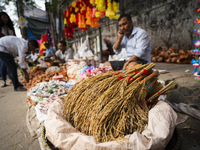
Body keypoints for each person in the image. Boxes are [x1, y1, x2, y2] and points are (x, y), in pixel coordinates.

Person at [0, 11, 15, 87]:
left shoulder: (10, 27)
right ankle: (3, 80)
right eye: (3, 17)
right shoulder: (0, 28)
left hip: (11, 48)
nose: (5, 19)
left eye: (6, 17)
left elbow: (14, 37)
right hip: (2, 48)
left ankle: (10, 78)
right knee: (3, 64)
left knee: (11, 62)